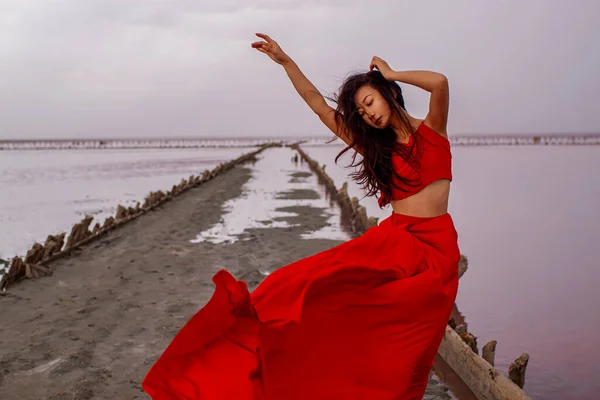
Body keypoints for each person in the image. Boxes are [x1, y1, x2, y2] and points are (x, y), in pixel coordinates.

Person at [142, 33, 460, 400]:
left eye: (369, 101)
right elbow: (319, 107)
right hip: (398, 244)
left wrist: (389, 72)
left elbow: (439, 82)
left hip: (438, 253)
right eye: (360, 111)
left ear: (387, 93)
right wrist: (286, 62)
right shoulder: (376, 148)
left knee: (413, 347)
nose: (368, 113)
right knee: (301, 285)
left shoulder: (433, 129)